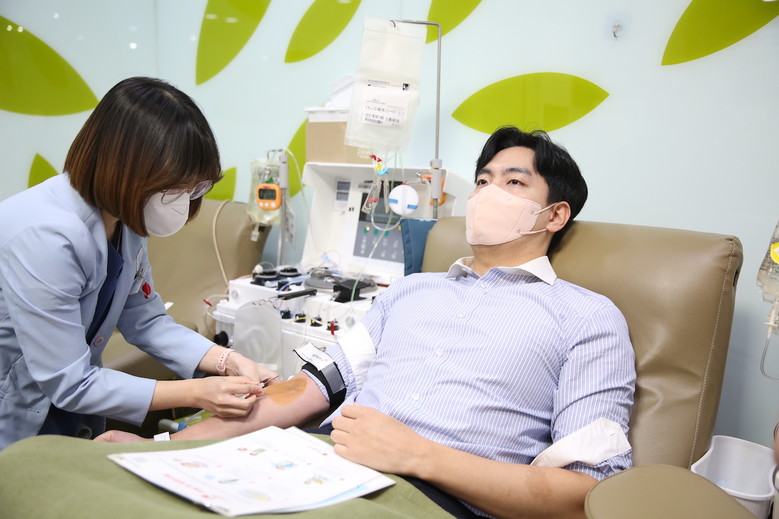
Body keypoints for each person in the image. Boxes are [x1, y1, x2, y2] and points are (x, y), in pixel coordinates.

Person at [98, 126, 636, 519]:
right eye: (483, 180)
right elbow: (302, 392)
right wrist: (168, 450)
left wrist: (420, 456)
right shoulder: (410, 292)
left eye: (514, 182)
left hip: (427, 501)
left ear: (556, 214)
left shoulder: (586, 317)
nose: (488, 194)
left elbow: (586, 495)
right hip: (314, 466)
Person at [0, 77, 276, 450]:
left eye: (195, 189)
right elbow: (70, 382)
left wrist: (227, 360)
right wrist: (197, 392)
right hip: (16, 416)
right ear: (123, 170)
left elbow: (146, 320)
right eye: (174, 188)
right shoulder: (45, 237)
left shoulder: (124, 222)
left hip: (68, 411)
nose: (184, 202)